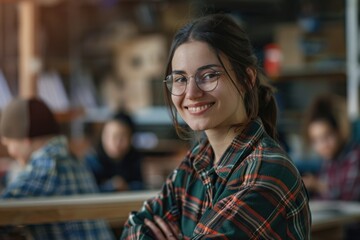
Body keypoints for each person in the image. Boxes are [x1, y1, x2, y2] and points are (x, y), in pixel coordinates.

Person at [120, 14, 311, 239]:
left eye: (209, 75)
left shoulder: (264, 173)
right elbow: (134, 226)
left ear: (246, 79)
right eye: (180, 79)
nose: (191, 93)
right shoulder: (198, 160)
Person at [0, 97, 115, 240]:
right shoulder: (70, 157)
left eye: (9, 144)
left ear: (26, 140)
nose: (10, 152)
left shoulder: (48, 164)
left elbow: (3, 212)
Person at [302, 94, 360, 201]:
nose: (322, 146)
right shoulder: (328, 161)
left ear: (340, 130)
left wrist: (318, 186)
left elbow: (349, 198)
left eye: (327, 136)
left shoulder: (355, 157)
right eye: (315, 141)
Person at [85, 111, 144, 192]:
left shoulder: (134, 159)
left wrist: (126, 187)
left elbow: (142, 186)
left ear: (131, 138)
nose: (116, 143)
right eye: (111, 136)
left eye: (122, 136)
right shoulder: (91, 161)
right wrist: (111, 186)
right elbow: (88, 191)